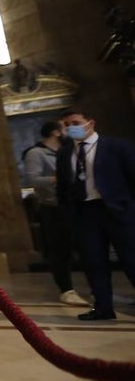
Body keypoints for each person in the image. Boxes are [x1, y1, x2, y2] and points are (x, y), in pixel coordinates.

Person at [55, 108, 135, 321]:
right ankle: (103, 307)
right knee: (94, 262)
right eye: (66, 125)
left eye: (75, 122)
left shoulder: (116, 146)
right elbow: (63, 188)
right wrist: (69, 213)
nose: (71, 128)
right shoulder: (65, 154)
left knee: (131, 257)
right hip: (85, 212)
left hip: (116, 209)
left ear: (90, 123)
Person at [21, 121, 89, 306]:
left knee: (87, 247)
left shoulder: (71, 150)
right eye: (66, 128)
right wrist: (62, 178)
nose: (70, 131)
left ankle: (96, 289)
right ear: (56, 132)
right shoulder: (37, 153)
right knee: (60, 250)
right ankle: (66, 289)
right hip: (52, 206)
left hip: (76, 204)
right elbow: (32, 178)